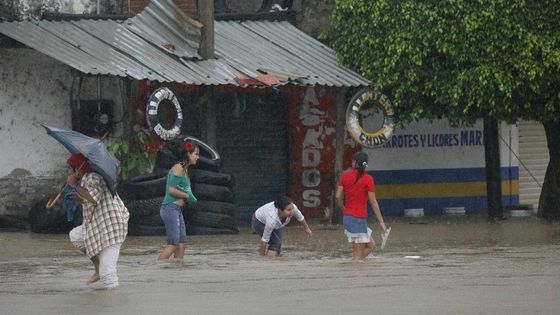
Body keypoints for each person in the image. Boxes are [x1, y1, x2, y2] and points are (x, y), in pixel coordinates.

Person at [67, 153, 129, 289]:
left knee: (108, 274)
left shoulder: (93, 177)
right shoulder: (86, 179)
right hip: (98, 224)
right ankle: (98, 268)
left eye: (69, 169)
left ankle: (112, 304)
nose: (68, 172)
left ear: (77, 169)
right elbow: (91, 198)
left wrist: (74, 185)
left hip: (111, 226)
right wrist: (78, 197)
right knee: (76, 236)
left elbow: (94, 198)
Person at [336, 151, 388, 262]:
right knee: (358, 259)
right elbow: (373, 202)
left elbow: (338, 196)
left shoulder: (345, 177)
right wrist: (381, 222)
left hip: (349, 218)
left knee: (371, 245)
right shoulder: (368, 179)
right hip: (358, 219)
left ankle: (348, 268)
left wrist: (343, 208)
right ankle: (353, 273)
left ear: (354, 163)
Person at [158, 140, 200, 262]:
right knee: (173, 244)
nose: (198, 157)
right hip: (170, 208)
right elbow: (171, 190)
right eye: (195, 154)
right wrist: (186, 196)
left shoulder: (185, 169)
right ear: (188, 154)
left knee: (181, 244)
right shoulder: (179, 168)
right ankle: (157, 269)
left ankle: (177, 270)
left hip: (177, 209)